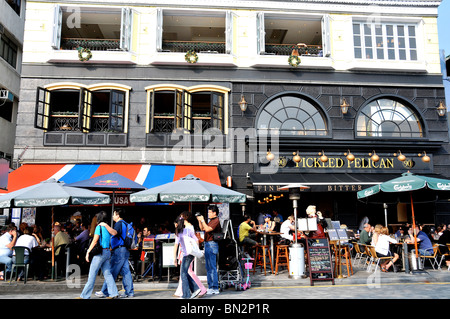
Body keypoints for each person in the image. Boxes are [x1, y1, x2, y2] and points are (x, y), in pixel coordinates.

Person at [79, 211, 118, 299]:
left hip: (100, 254)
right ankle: (114, 293)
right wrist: (106, 225)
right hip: (107, 252)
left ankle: (85, 295)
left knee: (92, 275)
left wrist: (88, 251)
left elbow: (95, 240)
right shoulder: (107, 227)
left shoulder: (98, 227)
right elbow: (115, 233)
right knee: (108, 274)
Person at [96, 209, 134, 298]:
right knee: (126, 272)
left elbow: (114, 232)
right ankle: (130, 292)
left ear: (118, 215)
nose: (112, 216)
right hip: (124, 250)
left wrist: (105, 225)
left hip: (119, 251)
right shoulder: (125, 223)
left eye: (114, 214)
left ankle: (104, 291)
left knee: (112, 270)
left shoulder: (119, 224)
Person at [174, 212, 206, 298]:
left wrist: (174, 258)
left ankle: (187, 295)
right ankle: (196, 289)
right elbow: (196, 240)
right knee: (186, 272)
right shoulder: (189, 230)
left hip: (185, 254)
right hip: (191, 253)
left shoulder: (178, 233)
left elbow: (176, 246)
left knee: (184, 273)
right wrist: (195, 250)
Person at [196, 205, 221, 295]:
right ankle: (211, 287)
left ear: (214, 212)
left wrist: (202, 220)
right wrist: (200, 221)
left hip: (212, 244)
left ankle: (214, 287)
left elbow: (207, 229)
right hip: (207, 244)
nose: (208, 214)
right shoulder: (211, 221)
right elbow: (202, 228)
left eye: (210, 212)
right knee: (208, 267)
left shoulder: (216, 220)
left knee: (212, 267)